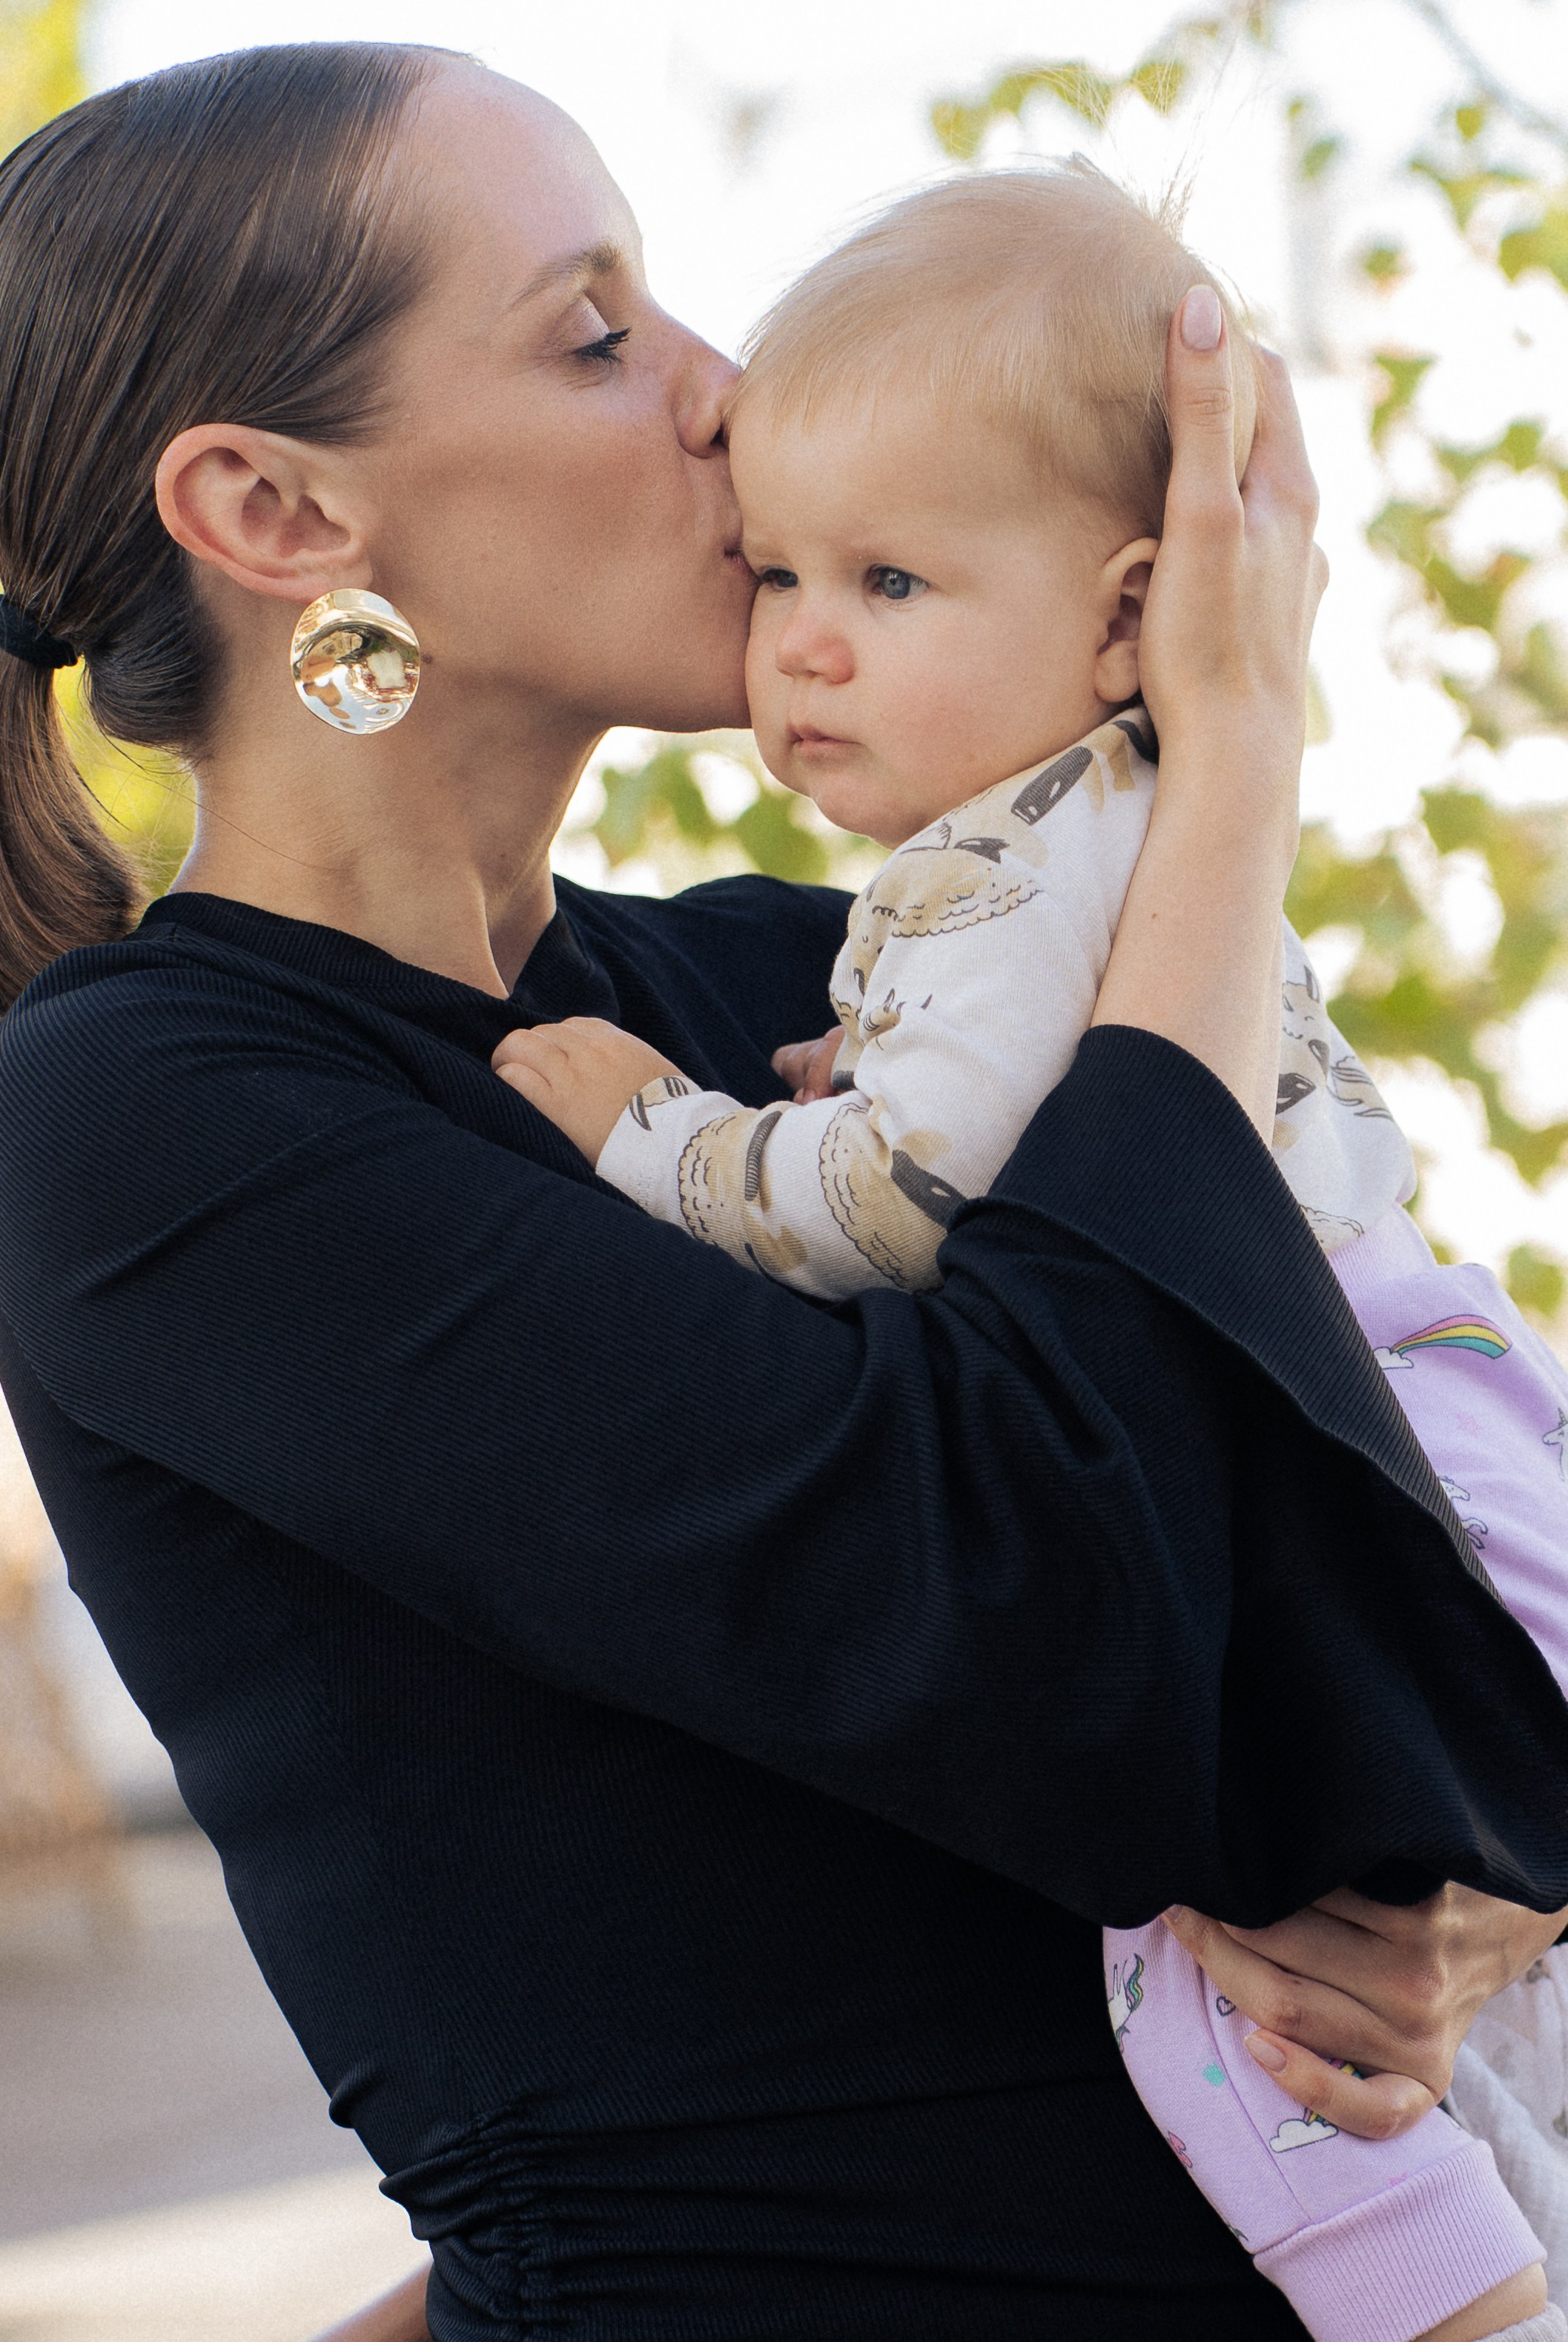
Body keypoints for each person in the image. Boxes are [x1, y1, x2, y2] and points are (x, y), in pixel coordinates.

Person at [0, 44, 1568, 2342]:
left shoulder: (804, 982)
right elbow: (1042, 1608)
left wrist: (1500, 1876)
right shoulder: (156, 1121)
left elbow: (1417, 1495)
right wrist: (1224, 771)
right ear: (278, 514)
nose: (730, 392)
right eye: (598, 333)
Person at [490, 166, 1568, 2342]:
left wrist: (659, 1135)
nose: (800, 635)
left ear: (1124, 616)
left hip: (1354, 1473)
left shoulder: (1003, 885)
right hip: (1439, 1411)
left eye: (889, 578)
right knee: (1447, 2020)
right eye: (784, 568)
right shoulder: (1096, 835)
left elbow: (898, 1206)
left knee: (1226, 2010)